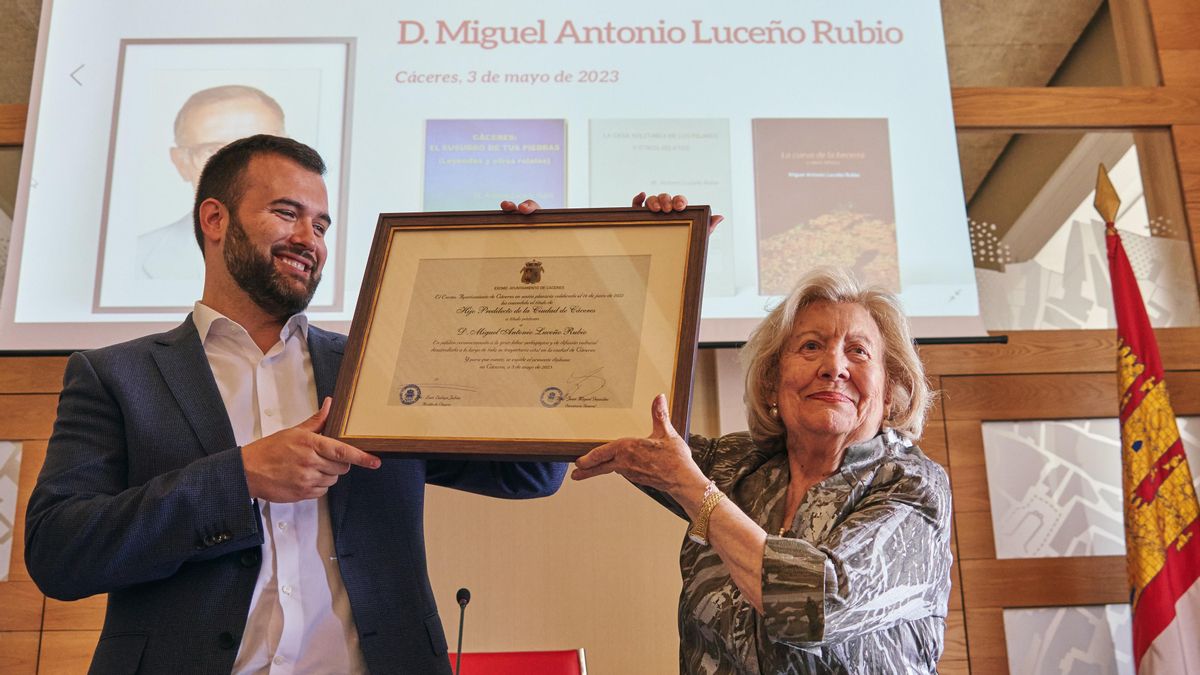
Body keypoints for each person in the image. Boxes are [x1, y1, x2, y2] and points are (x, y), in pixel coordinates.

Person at [26, 134, 566, 674]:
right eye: (287, 213)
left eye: (322, 225)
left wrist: (521, 300)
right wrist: (239, 479)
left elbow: (529, 474)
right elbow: (59, 552)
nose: (309, 239)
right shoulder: (117, 376)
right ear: (215, 219)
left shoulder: (381, 368)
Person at [572, 267, 952, 673]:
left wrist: (693, 490)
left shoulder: (912, 484)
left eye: (858, 351)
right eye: (810, 346)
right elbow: (600, 406)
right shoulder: (737, 463)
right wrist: (660, 268)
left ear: (890, 388)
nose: (833, 367)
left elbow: (818, 604)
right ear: (772, 382)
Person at [136, 85, 286, 280]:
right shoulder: (136, 257)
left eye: (258, 149)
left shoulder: (318, 253)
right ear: (181, 162)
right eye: (213, 151)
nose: (238, 168)